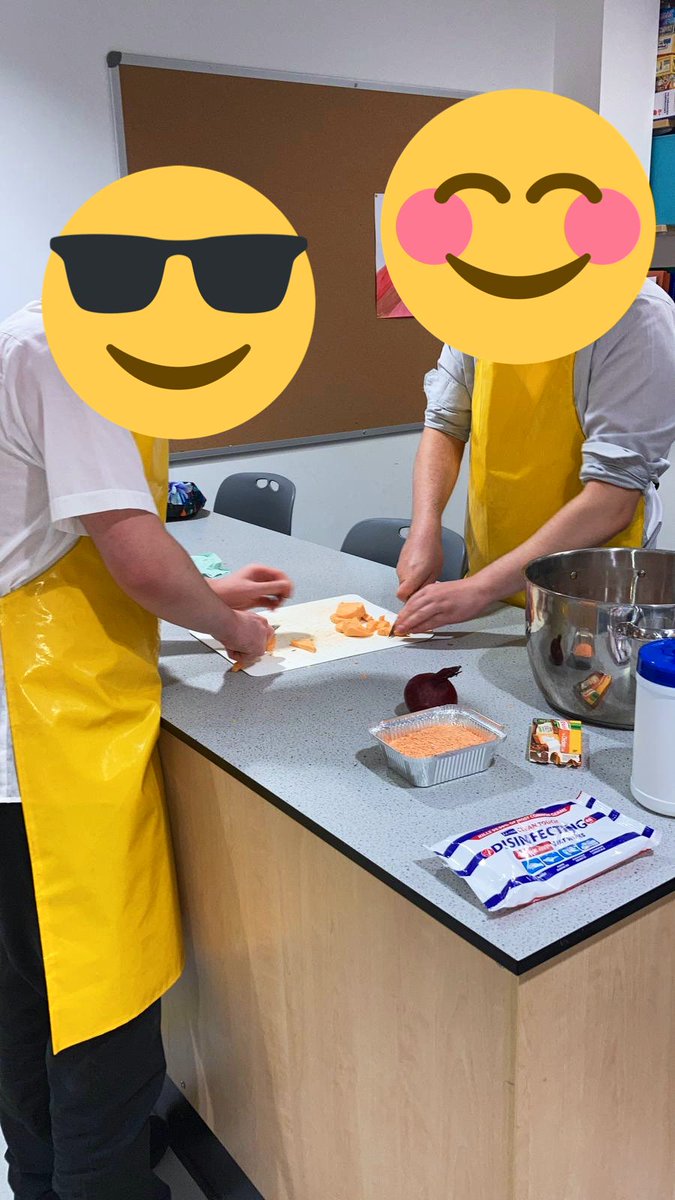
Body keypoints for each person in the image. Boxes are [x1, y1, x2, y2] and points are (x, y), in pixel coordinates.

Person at [0, 300, 292, 1200]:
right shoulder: (70, 348)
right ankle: (104, 1186)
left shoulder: (37, 334)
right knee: (103, 1004)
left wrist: (201, 585)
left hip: (33, 716)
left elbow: (59, 533)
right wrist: (230, 625)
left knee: (27, 997)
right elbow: (132, 559)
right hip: (41, 735)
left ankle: (46, 1176)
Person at [395, 278, 675, 634]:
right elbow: (445, 424)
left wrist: (478, 590)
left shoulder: (636, 315)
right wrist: (425, 526)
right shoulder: (476, 299)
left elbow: (613, 499)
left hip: (592, 604)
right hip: (491, 597)